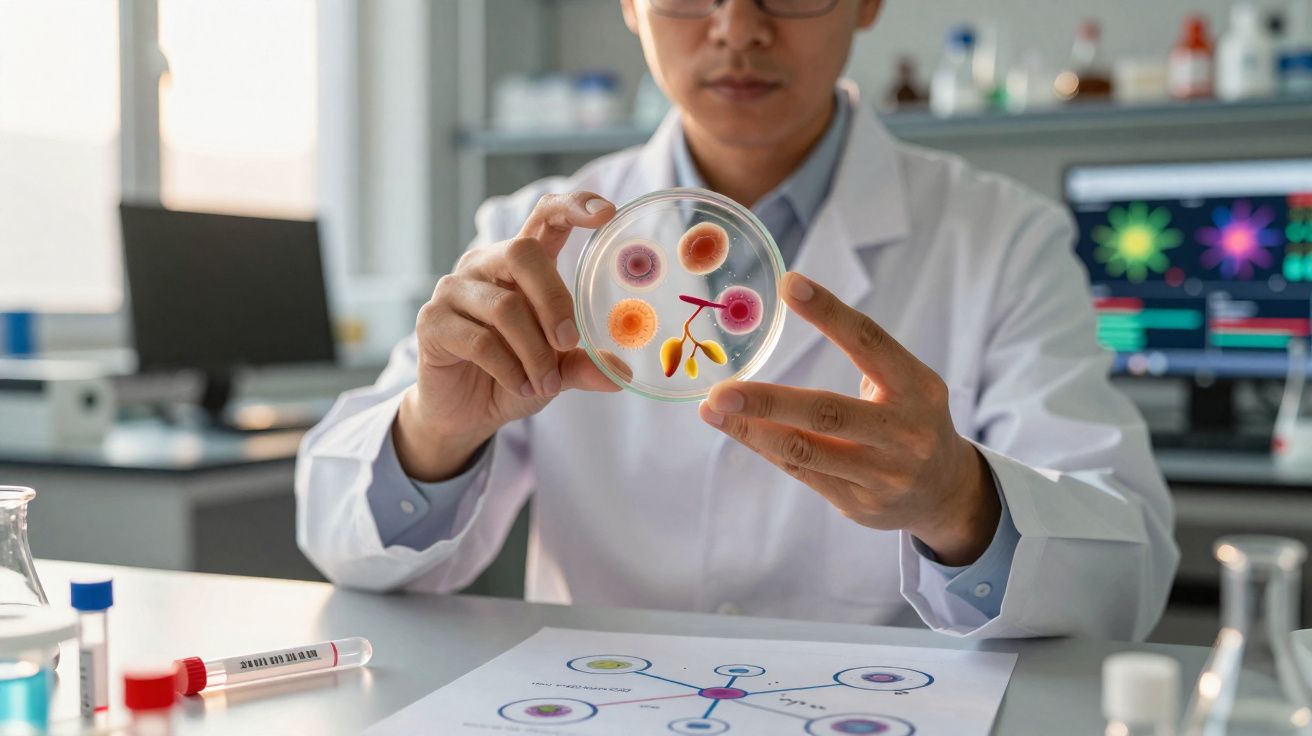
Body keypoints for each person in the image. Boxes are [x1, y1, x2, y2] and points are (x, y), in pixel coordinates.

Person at [296, 0, 1178, 640]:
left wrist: (961, 504)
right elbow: (346, 542)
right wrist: (432, 433)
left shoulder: (1003, 238)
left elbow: (1126, 569)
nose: (738, 25)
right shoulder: (535, 238)